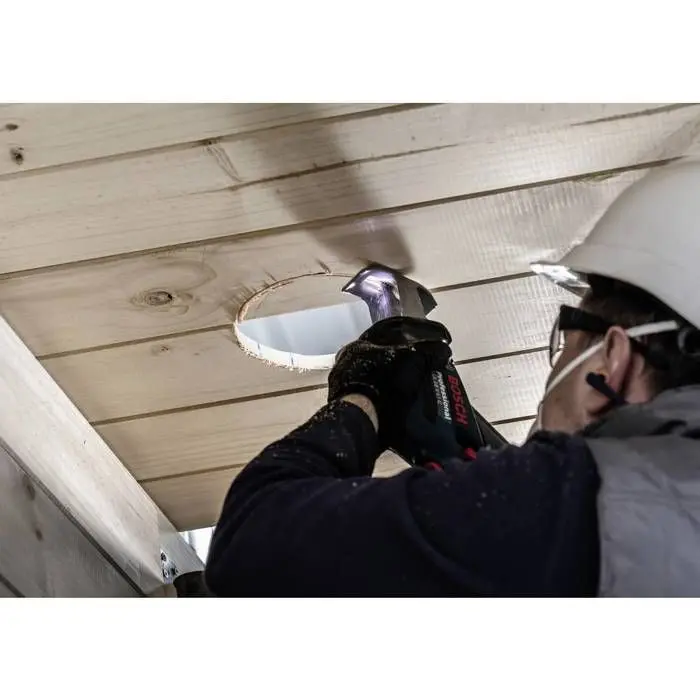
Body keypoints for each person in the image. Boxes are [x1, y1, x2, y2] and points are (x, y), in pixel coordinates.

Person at [204, 160, 700, 597]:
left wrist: (363, 399)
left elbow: (253, 542)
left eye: (566, 338)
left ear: (609, 361)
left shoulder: (570, 501)